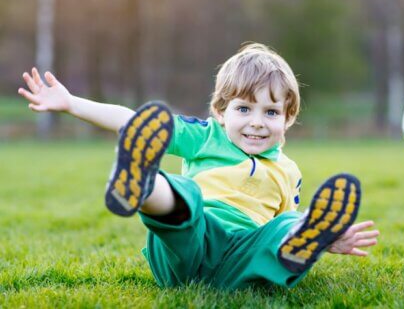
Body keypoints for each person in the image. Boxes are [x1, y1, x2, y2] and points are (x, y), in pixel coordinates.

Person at [19, 43, 379, 289]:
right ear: (220, 112)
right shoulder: (206, 137)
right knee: (186, 196)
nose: (256, 122)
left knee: (285, 225)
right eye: (244, 109)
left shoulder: (288, 171)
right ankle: (143, 183)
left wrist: (324, 239)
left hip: (239, 256)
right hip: (189, 242)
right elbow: (133, 119)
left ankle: (309, 239)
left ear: (288, 119)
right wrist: (70, 103)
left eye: (270, 112)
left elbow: (281, 224)